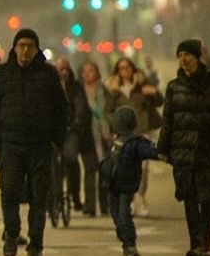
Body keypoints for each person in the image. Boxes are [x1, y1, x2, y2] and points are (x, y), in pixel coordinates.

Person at [0, 29, 67, 256]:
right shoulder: (1, 74)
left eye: (30, 45)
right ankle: (11, 233)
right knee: (8, 192)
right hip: (10, 145)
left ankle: (36, 246)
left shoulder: (48, 74)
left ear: (36, 48)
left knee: (39, 199)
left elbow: (61, 109)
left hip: (40, 146)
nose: (25, 50)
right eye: (21, 45)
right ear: (14, 48)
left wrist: (56, 141)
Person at [158, 39, 210, 256]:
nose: (184, 59)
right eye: (180, 55)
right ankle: (195, 244)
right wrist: (163, 148)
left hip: (209, 149)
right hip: (184, 150)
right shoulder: (174, 87)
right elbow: (168, 120)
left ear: (198, 57)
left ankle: (206, 243)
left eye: (188, 54)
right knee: (190, 198)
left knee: (208, 198)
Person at [105, 57, 163, 217]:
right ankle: (129, 201)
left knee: (143, 169)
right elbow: (108, 111)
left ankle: (141, 197)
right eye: (121, 68)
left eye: (127, 67)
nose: (125, 70)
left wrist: (154, 92)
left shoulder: (142, 85)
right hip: (123, 134)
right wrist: (115, 125)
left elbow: (160, 101)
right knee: (125, 168)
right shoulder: (114, 89)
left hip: (143, 130)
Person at [102, 106, 160, 256]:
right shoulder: (114, 142)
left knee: (123, 214)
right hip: (112, 185)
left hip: (126, 186)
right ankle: (125, 239)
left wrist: (162, 153)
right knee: (116, 215)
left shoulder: (136, 142)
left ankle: (130, 245)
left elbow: (150, 151)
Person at [52, 58, 88, 213]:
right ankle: (50, 198)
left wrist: (77, 123)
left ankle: (74, 194)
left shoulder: (75, 87)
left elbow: (81, 106)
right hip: (51, 132)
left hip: (69, 130)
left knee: (71, 158)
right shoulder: (48, 86)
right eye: (60, 69)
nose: (63, 72)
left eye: (65, 68)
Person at [78, 60, 111, 217]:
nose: (87, 74)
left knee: (104, 171)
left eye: (90, 70)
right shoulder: (79, 91)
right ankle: (90, 206)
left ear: (97, 73)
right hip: (86, 137)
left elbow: (109, 110)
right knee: (89, 171)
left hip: (104, 136)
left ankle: (105, 205)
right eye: (85, 71)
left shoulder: (104, 90)